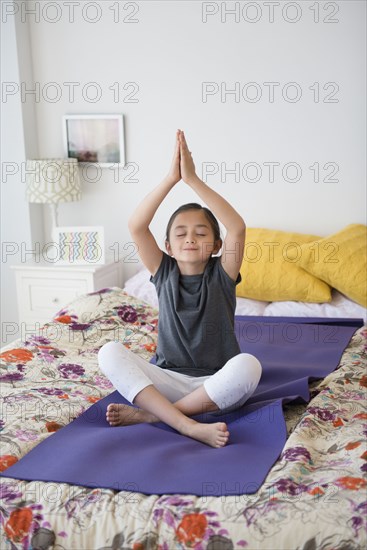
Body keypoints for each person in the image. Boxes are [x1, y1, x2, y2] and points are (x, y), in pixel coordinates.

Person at [98, 129, 262, 448]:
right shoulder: (163, 272)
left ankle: (152, 416)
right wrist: (171, 178)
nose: (190, 238)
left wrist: (193, 180)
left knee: (250, 366)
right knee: (109, 352)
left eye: (201, 233)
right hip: (167, 382)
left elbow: (237, 227)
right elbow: (136, 226)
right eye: (181, 233)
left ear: (216, 245)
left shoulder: (223, 273)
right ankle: (186, 425)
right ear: (168, 246)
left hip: (215, 386)